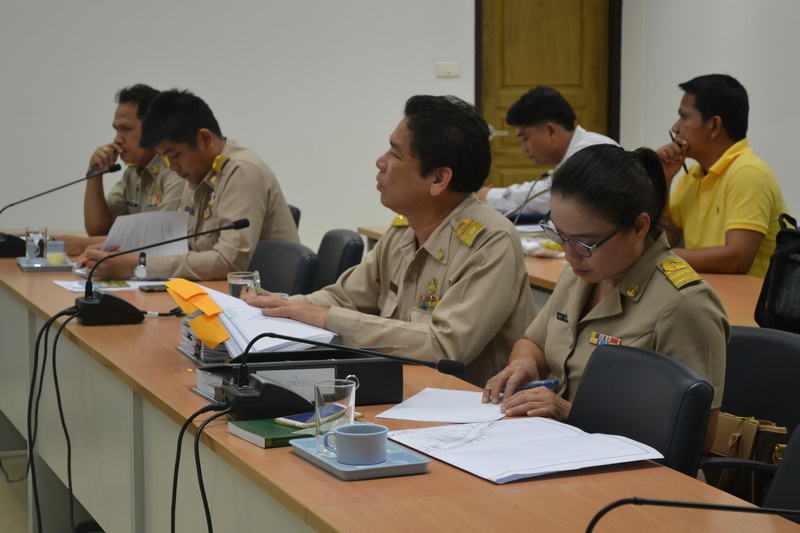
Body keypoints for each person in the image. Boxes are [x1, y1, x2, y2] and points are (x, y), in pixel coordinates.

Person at [244, 95, 535, 386]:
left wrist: (325, 317)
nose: (381, 162)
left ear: (438, 179)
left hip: (470, 403)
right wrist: (279, 308)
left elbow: (445, 347)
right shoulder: (404, 230)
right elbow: (343, 298)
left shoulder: (490, 241)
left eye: (396, 154)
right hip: (402, 388)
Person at [482, 144, 729, 452]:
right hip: (554, 447)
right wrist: (525, 363)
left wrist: (572, 413)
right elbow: (533, 342)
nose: (568, 254)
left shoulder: (685, 304)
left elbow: (697, 437)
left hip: (632, 469)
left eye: (585, 243)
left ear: (639, 226)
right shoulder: (579, 275)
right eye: (559, 236)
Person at [84, 89, 299, 281]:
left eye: (175, 155)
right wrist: (120, 252)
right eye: (165, 157)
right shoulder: (197, 175)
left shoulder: (242, 171)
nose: (172, 167)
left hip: (268, 299)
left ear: (204, 139)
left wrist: (139, 265)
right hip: (220, 291)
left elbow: (229, 262)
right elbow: (179, 244)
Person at [657, 74, 788, 278]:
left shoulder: (748, 173)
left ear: (714, 126)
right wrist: (664, 179)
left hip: (750, 298)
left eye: (684, 117)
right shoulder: (692, 175)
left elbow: (737, 258)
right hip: (707, 293)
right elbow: (666, 240)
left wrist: (661, 257)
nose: (675, 128)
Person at [57, 84, 184, 256]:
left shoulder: (176, 169)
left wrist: (83, 245)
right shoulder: (133, 173)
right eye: (117, 130)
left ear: (155, 128)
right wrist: (95, 174)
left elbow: (161, 237)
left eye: (126, 129)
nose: (117, 139)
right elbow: (98, 229)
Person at [476, 86, 617, 217]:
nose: (523, 148)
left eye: (525, 138)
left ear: (550, 131)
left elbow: (552, 197)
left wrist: (488, 196)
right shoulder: (579, 149)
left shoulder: (593, 150)